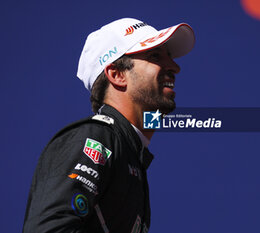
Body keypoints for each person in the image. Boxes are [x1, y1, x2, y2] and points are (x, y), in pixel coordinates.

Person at [23, 18, 195, 233]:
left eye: (169, 56)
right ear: (117, 75)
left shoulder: (130, 154)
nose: (174, 67)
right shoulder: (96, 138)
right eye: (155, 56)